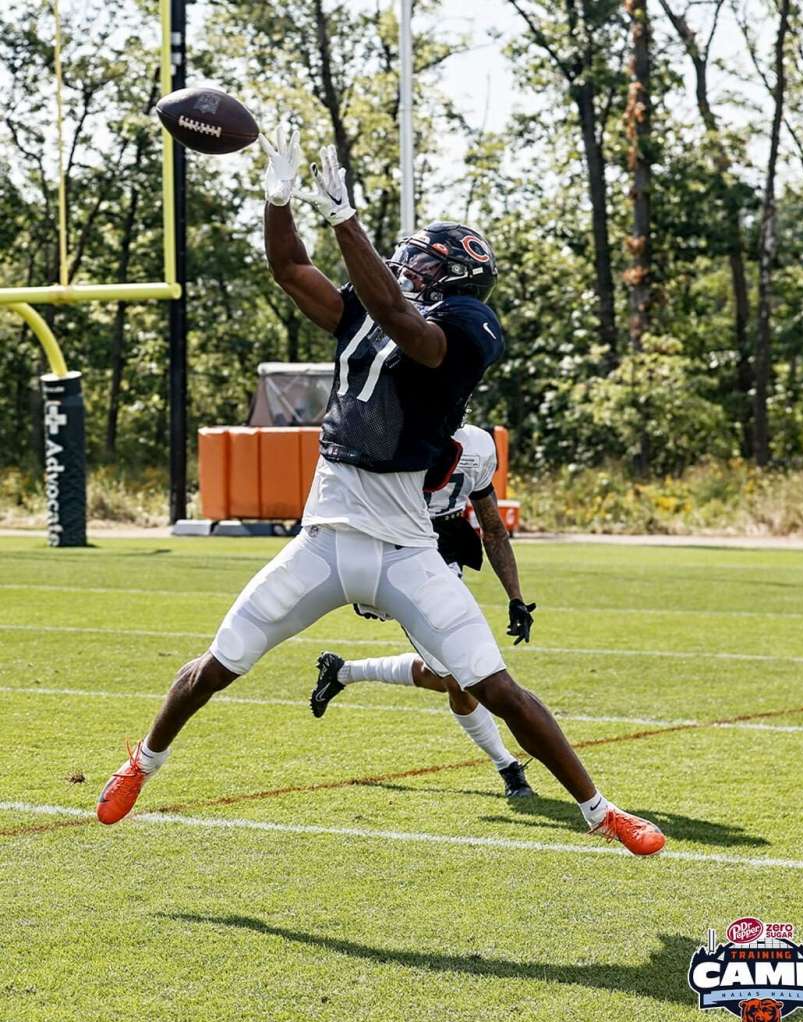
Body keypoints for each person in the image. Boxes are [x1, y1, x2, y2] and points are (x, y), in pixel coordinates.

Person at [96, 123, 665, 857]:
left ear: (453, 279)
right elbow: (291, 270)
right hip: (325, 537)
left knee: (496, 686)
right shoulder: (370, 305)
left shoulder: (469, 325)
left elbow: (402, 319)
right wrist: (278, 199)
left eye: (423, 260)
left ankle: (601, 811)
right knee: (219, 661)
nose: (407, 265)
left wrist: (345, 218)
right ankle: (141, 764)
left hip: (405, 548)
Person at [310, 422, 537, 799]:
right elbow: (354, 503)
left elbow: (493, 528)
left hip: (445, 551)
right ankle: (506, 765)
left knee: (454, 672)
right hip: (399, 551)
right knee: (460, 675)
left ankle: (343, 672)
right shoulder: (392, 433)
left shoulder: (479, 444)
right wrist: (364, 575)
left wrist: (515, 597)